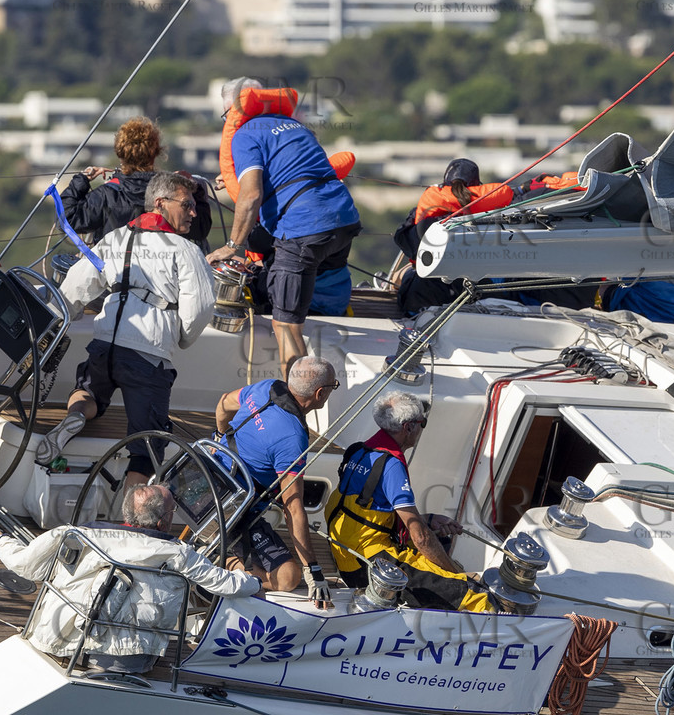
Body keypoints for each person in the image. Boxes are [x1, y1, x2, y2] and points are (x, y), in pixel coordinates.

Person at [35, 172, 216, 485]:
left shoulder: (116, 238)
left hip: (104, 344)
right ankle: (131, 523)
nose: (194, 212)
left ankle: (76, 416)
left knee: (89, 390)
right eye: (187, 205)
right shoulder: (185, 250)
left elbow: (77, 285)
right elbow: (200, 309)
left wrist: (56, 317)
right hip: (148, 355)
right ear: (161, 203)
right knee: (147, 447)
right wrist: (181, 339)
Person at [0, 484, 260, 674]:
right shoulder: (179, 554)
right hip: (127, 661)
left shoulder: (76, 534)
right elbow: (226, 584)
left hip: (56, 640)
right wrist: (253, 581)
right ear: (164, 520)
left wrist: (0, 540)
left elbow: (24, 565)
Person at [206, 76, 361, 379]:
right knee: (303, 279)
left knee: (286, 326)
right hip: (344, 220)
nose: (227, 121)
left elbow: (251, 196)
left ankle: (297, 403)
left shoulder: (244, 135)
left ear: (234, 111)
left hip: (304, 228)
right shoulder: (295, 126)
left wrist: (232, 246)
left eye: (226, 115)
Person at [325, 391, 494, 612]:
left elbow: (366, 514)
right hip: (368, 566)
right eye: (422, 423)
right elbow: (421, 538)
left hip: (346, 557)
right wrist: (454, 574)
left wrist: (429, 519)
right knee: (475, 595)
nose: (422, 429)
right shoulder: (391, 465)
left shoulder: (359, 451)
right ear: (409, 427)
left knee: (438, 548)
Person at [213, 355, 340, 604]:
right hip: (236, 512)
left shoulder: (266, 387)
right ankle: (220, 568)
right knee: (288, 578)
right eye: (334, 387)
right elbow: (292, 506)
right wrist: (313, 569)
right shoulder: (293, 439)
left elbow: (223, 403)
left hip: (210, 479)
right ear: (320, 394)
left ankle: (224, 562)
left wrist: (219, 436)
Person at [60, 116, 213, 250]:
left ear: (120, 153)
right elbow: (200, 229)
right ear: (156, 152)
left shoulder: (106, 195)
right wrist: (195, 190)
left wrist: (81, 181)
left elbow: (67, 221)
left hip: (115, 277)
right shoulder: (174, 193)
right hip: (162, 278)